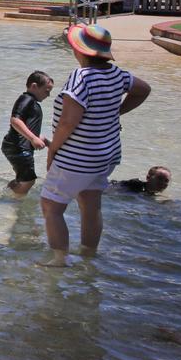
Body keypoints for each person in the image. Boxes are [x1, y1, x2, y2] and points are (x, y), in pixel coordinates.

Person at [41, 24, 150, 266]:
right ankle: (88, 255)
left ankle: (59, 259)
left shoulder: (81, 77)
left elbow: (68, 122)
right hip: (106, 154)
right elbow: (143, 90)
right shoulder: (117, 74)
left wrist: (53, 149)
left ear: (79, 50)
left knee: (51, 205)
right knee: (90, 203)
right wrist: (116, 112)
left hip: (79, 157)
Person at [2, 71, 53, 198]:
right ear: (34, 86)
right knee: (28, 180)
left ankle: (8, 193)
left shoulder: (32, 103)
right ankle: (15, 203)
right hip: (18, 147)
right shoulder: (26, 99)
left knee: (24, 179)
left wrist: (44, 140)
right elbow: (15, 121)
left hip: (17, 146)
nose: (48, 95)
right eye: (46, 91)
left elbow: (28, 127)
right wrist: (33, 138)